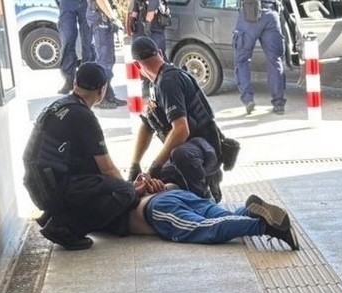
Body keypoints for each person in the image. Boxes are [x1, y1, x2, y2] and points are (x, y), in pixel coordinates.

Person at [22, 63, 137, 250]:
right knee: (124, 192)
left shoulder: (59, 106)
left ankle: (56, 216)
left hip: (38, 185)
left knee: (96, 173)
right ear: (102, 90)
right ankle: (64, 228)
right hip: (52, 189)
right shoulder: (84, 117)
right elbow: (108, 169)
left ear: (75, 83)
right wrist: (131, 190)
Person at [128, 37, 225, 202]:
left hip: (205, 149)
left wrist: (154, 168)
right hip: (191, 150)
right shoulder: (155, 84)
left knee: (179, 155)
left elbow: (181, 131)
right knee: (151, 186)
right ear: (160, 53)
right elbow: (147, 125)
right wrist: (135, 165)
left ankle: (205, 201)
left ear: (137, 66)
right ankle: (189, 190)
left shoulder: (168, 81)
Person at [126, 174, 298, 248]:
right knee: (223, 216)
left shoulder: (109, 201)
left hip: (158, 207)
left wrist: (138, 188)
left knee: (206, 227)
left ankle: (266, 227)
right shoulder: (116, 185)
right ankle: (249, 212)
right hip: (173, 193)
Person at [235, 0, 288, 115]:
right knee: (275, 60)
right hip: (271, 13)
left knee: (242, 60)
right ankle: (279, 103)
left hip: (249, 13)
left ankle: (248, 99)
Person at [86, 0, 125, 109]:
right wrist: (113, 18)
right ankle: (100, 99)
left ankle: (108, 94)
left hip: (103, 17)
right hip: (100, 18)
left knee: (109, 59)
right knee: (104, 61)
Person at [56, 0, 96, 95]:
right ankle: (69, 79)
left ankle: (86, 79)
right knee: (67, 38)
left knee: (89, 42)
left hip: (87, 2)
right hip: (67, 3)